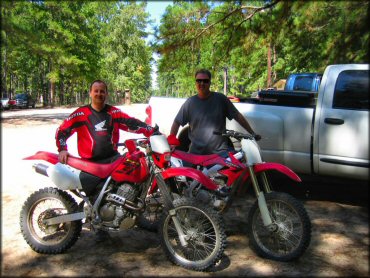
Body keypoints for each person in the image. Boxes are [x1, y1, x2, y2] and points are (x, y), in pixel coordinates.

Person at [55, 79, 155, 241]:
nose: (99, 94)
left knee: (126, 180)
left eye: (102, 91)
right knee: (96, 193)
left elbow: (131, 122)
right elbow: (62, 130)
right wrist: (62, 148)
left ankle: (117, 214)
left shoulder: (113, 113)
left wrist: (151, 130)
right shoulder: (81, 113)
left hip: (112, 158)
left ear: (106, 94)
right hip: (90, 162)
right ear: (90, 93)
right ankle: (98, 223)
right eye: (96, 91)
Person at [170, 69, 260, 156]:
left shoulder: (221, 99)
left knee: (238, 167)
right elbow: (177, 122)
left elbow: (237, 116)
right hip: (196, 155)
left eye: (205, 81)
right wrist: (171, 142)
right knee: (181, 170)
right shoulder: (190, 103)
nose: (202, 83)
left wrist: (252, 133)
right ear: (196, 83)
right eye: (199, 81)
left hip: (220, 153)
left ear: (210, 83)